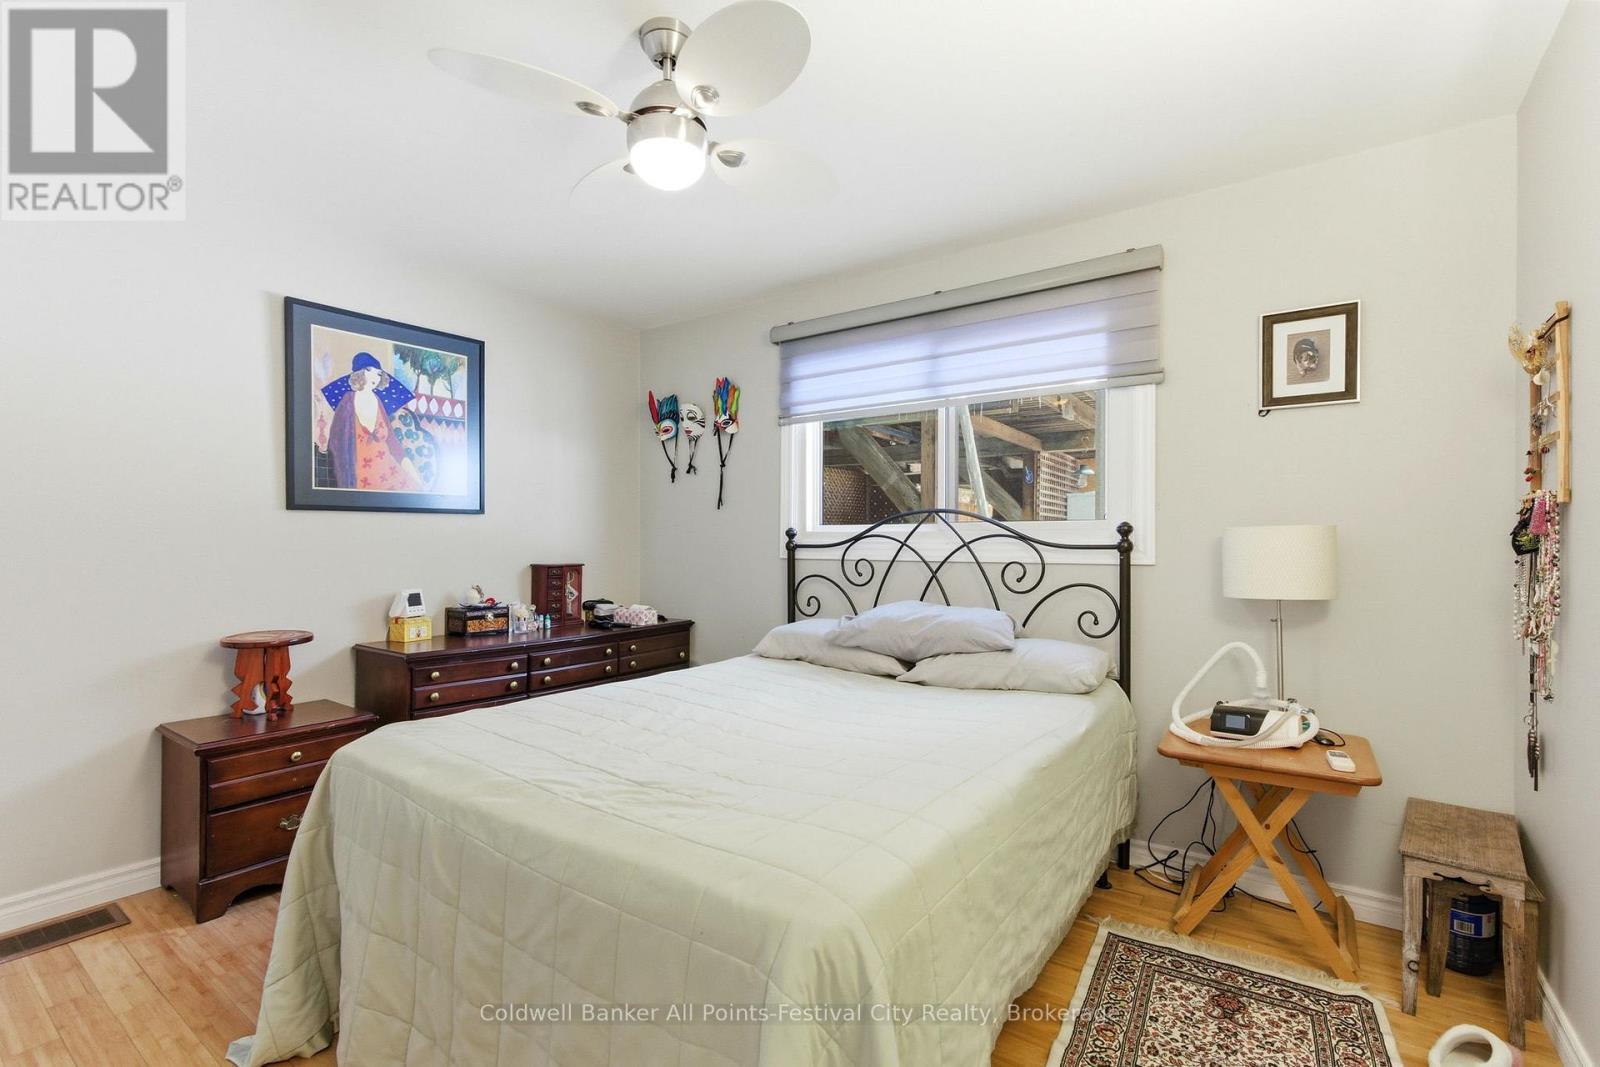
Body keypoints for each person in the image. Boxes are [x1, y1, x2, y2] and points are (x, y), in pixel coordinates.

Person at [321, 353, 421, 491]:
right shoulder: (348, 401)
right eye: (369, 370)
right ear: (359, 374)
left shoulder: (378, 401)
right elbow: (336, 441)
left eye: (379, 373)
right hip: (358, 475)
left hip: (388, 470)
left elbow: (391, 440)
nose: (375, 377)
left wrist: (413, 473)